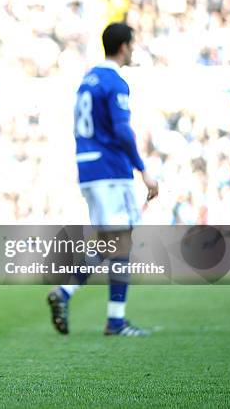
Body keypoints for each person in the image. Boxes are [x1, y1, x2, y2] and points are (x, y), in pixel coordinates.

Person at [47, 22, 159, 337]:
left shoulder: (88, 80)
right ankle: (115, 321)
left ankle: (67, 293)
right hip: (111, 170)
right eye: (132, 44)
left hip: (89, 168)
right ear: (124, 46)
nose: (133, 49)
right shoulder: (115, 82)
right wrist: (143, 169)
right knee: (121, 242)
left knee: (109, 243)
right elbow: (123, 130)